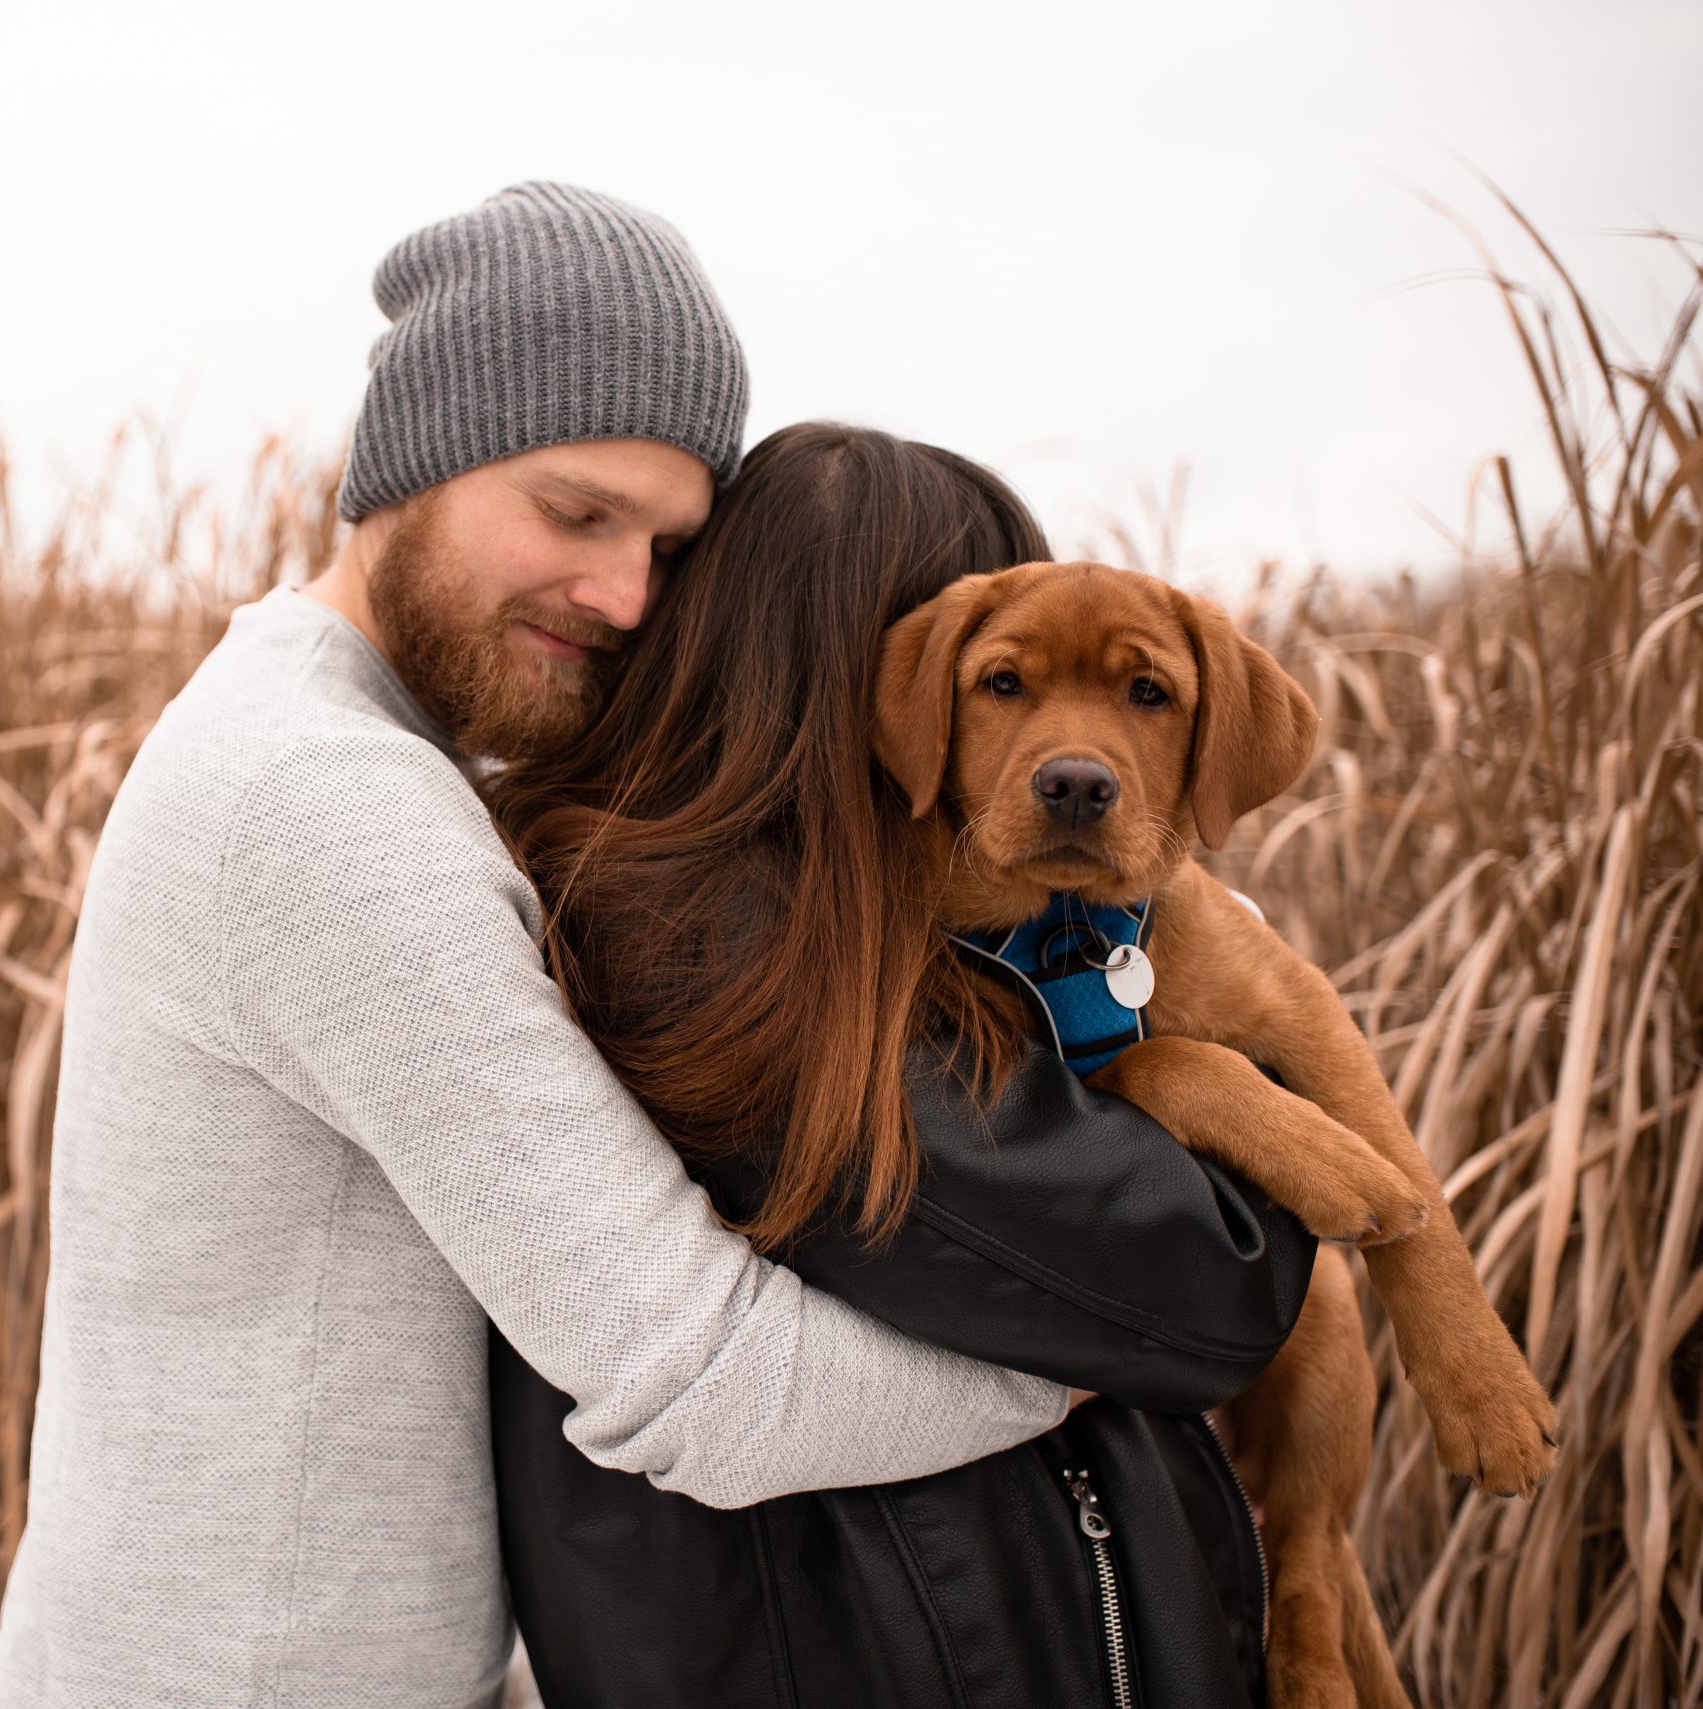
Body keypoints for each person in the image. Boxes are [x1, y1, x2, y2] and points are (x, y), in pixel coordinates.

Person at [0, 182, 1301, 1709]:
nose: (619, 596)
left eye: (668, 546)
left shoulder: (367, 752)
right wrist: (1091, 1359)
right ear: (411, 462)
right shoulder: (322, 807)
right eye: (572, 509)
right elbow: (703, 1382)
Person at [482, 421, 1319, 1706]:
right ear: (867, 678)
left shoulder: (835, 910)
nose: (1049, 733)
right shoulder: (720, 957)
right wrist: (1227, 1071)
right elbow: (1211, 1281)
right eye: (1001, 680)